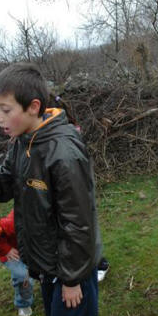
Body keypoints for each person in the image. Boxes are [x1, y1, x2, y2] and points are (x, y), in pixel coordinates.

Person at [0, 63, 102, 316]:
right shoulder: (23, 141)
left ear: (33, 107)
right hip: (48, 265)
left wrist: (72, 280)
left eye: (5, 109)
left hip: (71, 270)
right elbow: (3, 183)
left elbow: (78, 222)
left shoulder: (64, 153)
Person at [51, 96, 110, 284]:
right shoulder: (64, 134)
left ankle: (99, 263)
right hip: (74, 188)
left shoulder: (69, 135)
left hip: (80, 187)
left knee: (86, 224)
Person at [0, 209, 34, 316]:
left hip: (31, 249)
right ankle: (23, 303)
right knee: (23, 275)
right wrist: (6, 250)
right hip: (12, 253)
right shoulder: (12, 223)